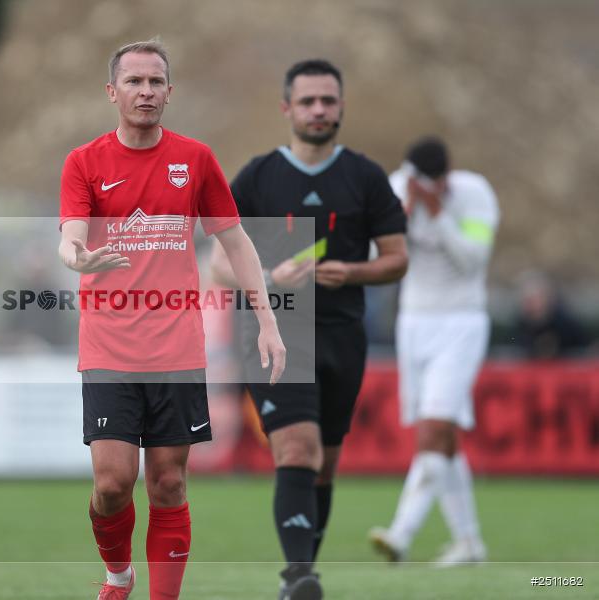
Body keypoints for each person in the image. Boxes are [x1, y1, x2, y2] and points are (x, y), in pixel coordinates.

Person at [58, 39, 286, 600]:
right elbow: (70, 239)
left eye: (156, 82)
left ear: (169, 92)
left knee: (167, 482)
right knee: (113, 486)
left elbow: (236, 244)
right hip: (109, 349)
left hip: (178, 352)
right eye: (134, 82)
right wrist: (77, 258)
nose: (146, 91)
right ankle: (118, 577)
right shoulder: (85, 162)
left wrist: (269, 320)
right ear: (113, 92)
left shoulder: (196, 159)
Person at [211, 59, 408, 599]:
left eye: (327, 100)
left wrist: (356, 271)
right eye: (307, 101)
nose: (318, 110)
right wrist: (267, 276)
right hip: (275, 331)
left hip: (344, 335)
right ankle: (299, 576)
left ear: (340, 107)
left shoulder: (366, 177)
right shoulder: (258, 176)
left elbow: (397, 259)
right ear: (287, 109)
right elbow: (220, 262)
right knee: (297, 451)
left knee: (323, 465)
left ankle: (300, 578)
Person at [369, 136, 499, 565]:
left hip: (462, 321)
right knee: (443, 437)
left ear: (446, 177)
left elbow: (473, 261)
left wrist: (440, 215)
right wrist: (399, 219)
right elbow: (373, 256)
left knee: (433, 426)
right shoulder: (395, 188)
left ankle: (401, 535)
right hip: (414, 323)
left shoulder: (475, 193)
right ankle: (469, 542)